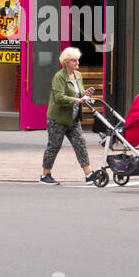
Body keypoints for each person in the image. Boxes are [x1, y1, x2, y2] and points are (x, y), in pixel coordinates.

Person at [40, 47, 97, 185]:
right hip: (58, 118)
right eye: (74, 60)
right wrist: (76, 100)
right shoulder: (59, 77)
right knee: (54, 146)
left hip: (73, 118)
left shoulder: (78, 75)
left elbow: (79, 92)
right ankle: (45, 176)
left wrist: (85, 94)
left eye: (78, 60)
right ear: (66, 62)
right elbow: (59, 97)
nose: (77, 63)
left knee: (80, 144)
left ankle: (89, 174)